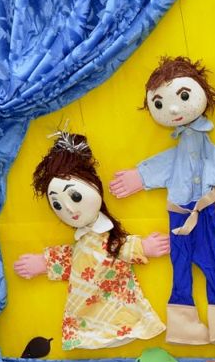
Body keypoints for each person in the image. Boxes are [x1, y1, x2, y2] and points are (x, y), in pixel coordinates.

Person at [109, 56, 215, 345]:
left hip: (204, 213)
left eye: (183, 97)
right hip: (178, 216)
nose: (173, 109)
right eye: (160, 102)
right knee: (182, 267)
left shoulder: (203, 145)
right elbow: (169, 162)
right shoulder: (181, 148)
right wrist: (140, 176)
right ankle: (184, 326)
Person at [14, 131, 168, 350]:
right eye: (57, 204)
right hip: (83, 311)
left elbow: (119, 247)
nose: (69, 209)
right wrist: (44, 263)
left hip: (116, 304)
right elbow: (75, 259)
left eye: (75, 196)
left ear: (94, 185)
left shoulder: (108, 237)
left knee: (121, 313)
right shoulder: (83, 242)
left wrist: (144, 247)